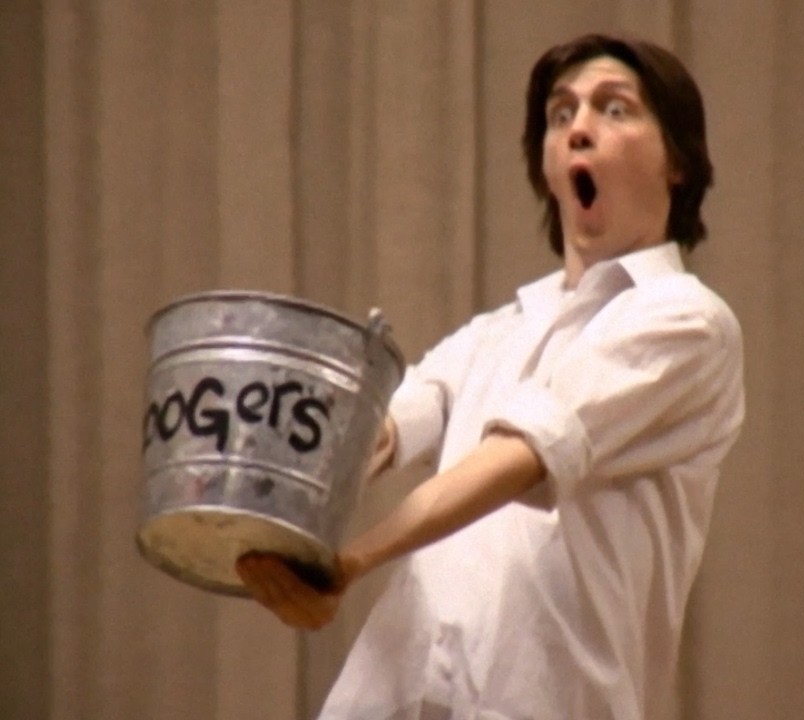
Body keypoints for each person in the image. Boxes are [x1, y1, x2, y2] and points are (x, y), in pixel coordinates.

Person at [237, 33, 744, 720]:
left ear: (678, 160)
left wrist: (350, 561)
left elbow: (522, 456)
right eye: (561, 114)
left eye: (614, 109)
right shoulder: (496, 332)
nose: (579, 128)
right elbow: (380, 431)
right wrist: (266, 498)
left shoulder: (688, 320)